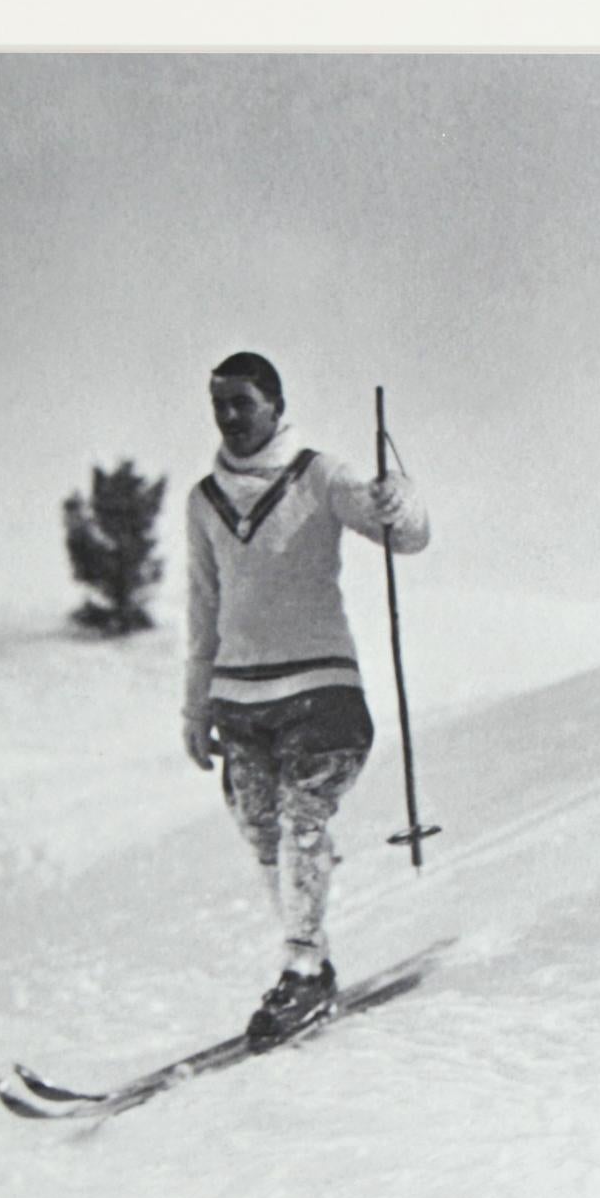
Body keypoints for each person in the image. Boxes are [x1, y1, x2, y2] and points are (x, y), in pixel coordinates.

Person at [182, 351, 430, 1048]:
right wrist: (194, 706)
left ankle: (302, 968)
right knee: (263, 830)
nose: (229, 417)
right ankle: (307, 949)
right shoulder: (202, 501)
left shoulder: (319, 475)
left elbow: (404, 534)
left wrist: (397, 498)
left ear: (275, 403)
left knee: (299, 820)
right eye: (219, 404)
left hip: (320, 691)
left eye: (242, 402)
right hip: (237, 698)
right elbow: (202, 607)